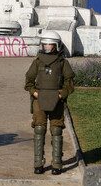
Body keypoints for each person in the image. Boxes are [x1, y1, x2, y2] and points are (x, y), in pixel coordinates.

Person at [24, 31, 75, 175]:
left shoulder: (62, 62)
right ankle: (38, 163)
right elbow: (28, 81)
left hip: (57, 101)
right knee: (39, 129)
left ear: (57, 45)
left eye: (50, 44)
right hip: (39, 100)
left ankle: (57, 164)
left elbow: (69, 83)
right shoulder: (38, 61)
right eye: (44, 44)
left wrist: (61, 94)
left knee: (56, 131)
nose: (46, 47)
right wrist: (34, 93)